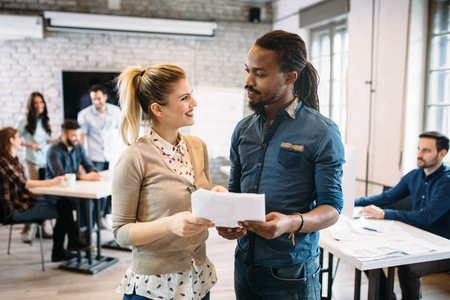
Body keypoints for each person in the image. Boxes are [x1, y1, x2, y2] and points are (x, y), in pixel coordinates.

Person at [216, 30, 345, 299]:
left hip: (291, 272)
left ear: (289, 78)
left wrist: (290, 223)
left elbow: (332, 208)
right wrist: (227, 222)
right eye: (247, 70)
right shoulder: (243, 130)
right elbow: (235, 192)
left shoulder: (322, 132)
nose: (248, 81)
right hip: (244, 263)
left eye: (260, 74)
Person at [112, 64, 218, 300]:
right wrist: (169, 225)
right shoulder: (134, 157)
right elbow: (121, 232)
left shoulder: (198, 147)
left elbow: (200, 210)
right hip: (154, 287)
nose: (194, 103)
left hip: (198, 280)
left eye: (191, 94)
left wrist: (216, 199)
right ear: (158, 109)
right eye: (184, 97)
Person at [355, 131, 450, 300]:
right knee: (370, 255)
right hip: (417, 239)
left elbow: (426, 217)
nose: (419, 155)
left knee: (408, 268)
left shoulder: (447, 182)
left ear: (442, 153)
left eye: (426, 151)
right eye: (419, 149)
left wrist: (384, 214)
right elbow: (386, 197)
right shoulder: (414, 175)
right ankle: (386, 297)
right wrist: (350, 201)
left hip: (442, 246)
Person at [0, 126, 86, 262]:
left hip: (23, 201)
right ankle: (65, 246)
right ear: (11, 140)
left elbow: (23, 186)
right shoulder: (4, 162)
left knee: (63, 203)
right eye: (18, 137)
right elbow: (24, 183)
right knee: (63, 208)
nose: (21, 140)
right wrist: (52, 182)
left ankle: (68, 244)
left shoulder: (13, 160)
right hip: (15, 209)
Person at [46, 119, 102, 248]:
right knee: (69, 205)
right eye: (74, 135)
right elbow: (60, 174)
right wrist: (83, 176)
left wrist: (93, 172)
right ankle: (76, 239)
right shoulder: (53, 151)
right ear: (64, 135)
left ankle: (80, 238)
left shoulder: (79, 148)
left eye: (78, 134)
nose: (78, 138)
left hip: (73, 191)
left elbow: (89, 165)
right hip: (54, 192)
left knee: (95, 202)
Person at [15, 92, 59, 242]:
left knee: (44, 194)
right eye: (36, 103)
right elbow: (14, 139)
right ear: (31, 105)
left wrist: (57, 140)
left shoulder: (43, 121)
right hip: (32, 162)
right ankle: (27, 229)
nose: (39, 105)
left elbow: (45, 142)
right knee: (33, 193)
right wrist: (30, 145)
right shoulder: (25, 120)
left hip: (44, 162)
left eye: (41, 102)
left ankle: (43, 227)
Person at [77, 84, 121, 230]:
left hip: (112, 155)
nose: (96, 102)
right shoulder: (84, 114)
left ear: (105, 97)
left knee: (113, 187)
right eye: (93, 99)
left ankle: (105, 215)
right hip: (94, 157)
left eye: (99, 98)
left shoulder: (116, 112)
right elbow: (82, 138)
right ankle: (94, 220)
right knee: (96, 190)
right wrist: (82, 161)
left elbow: (120, 133)